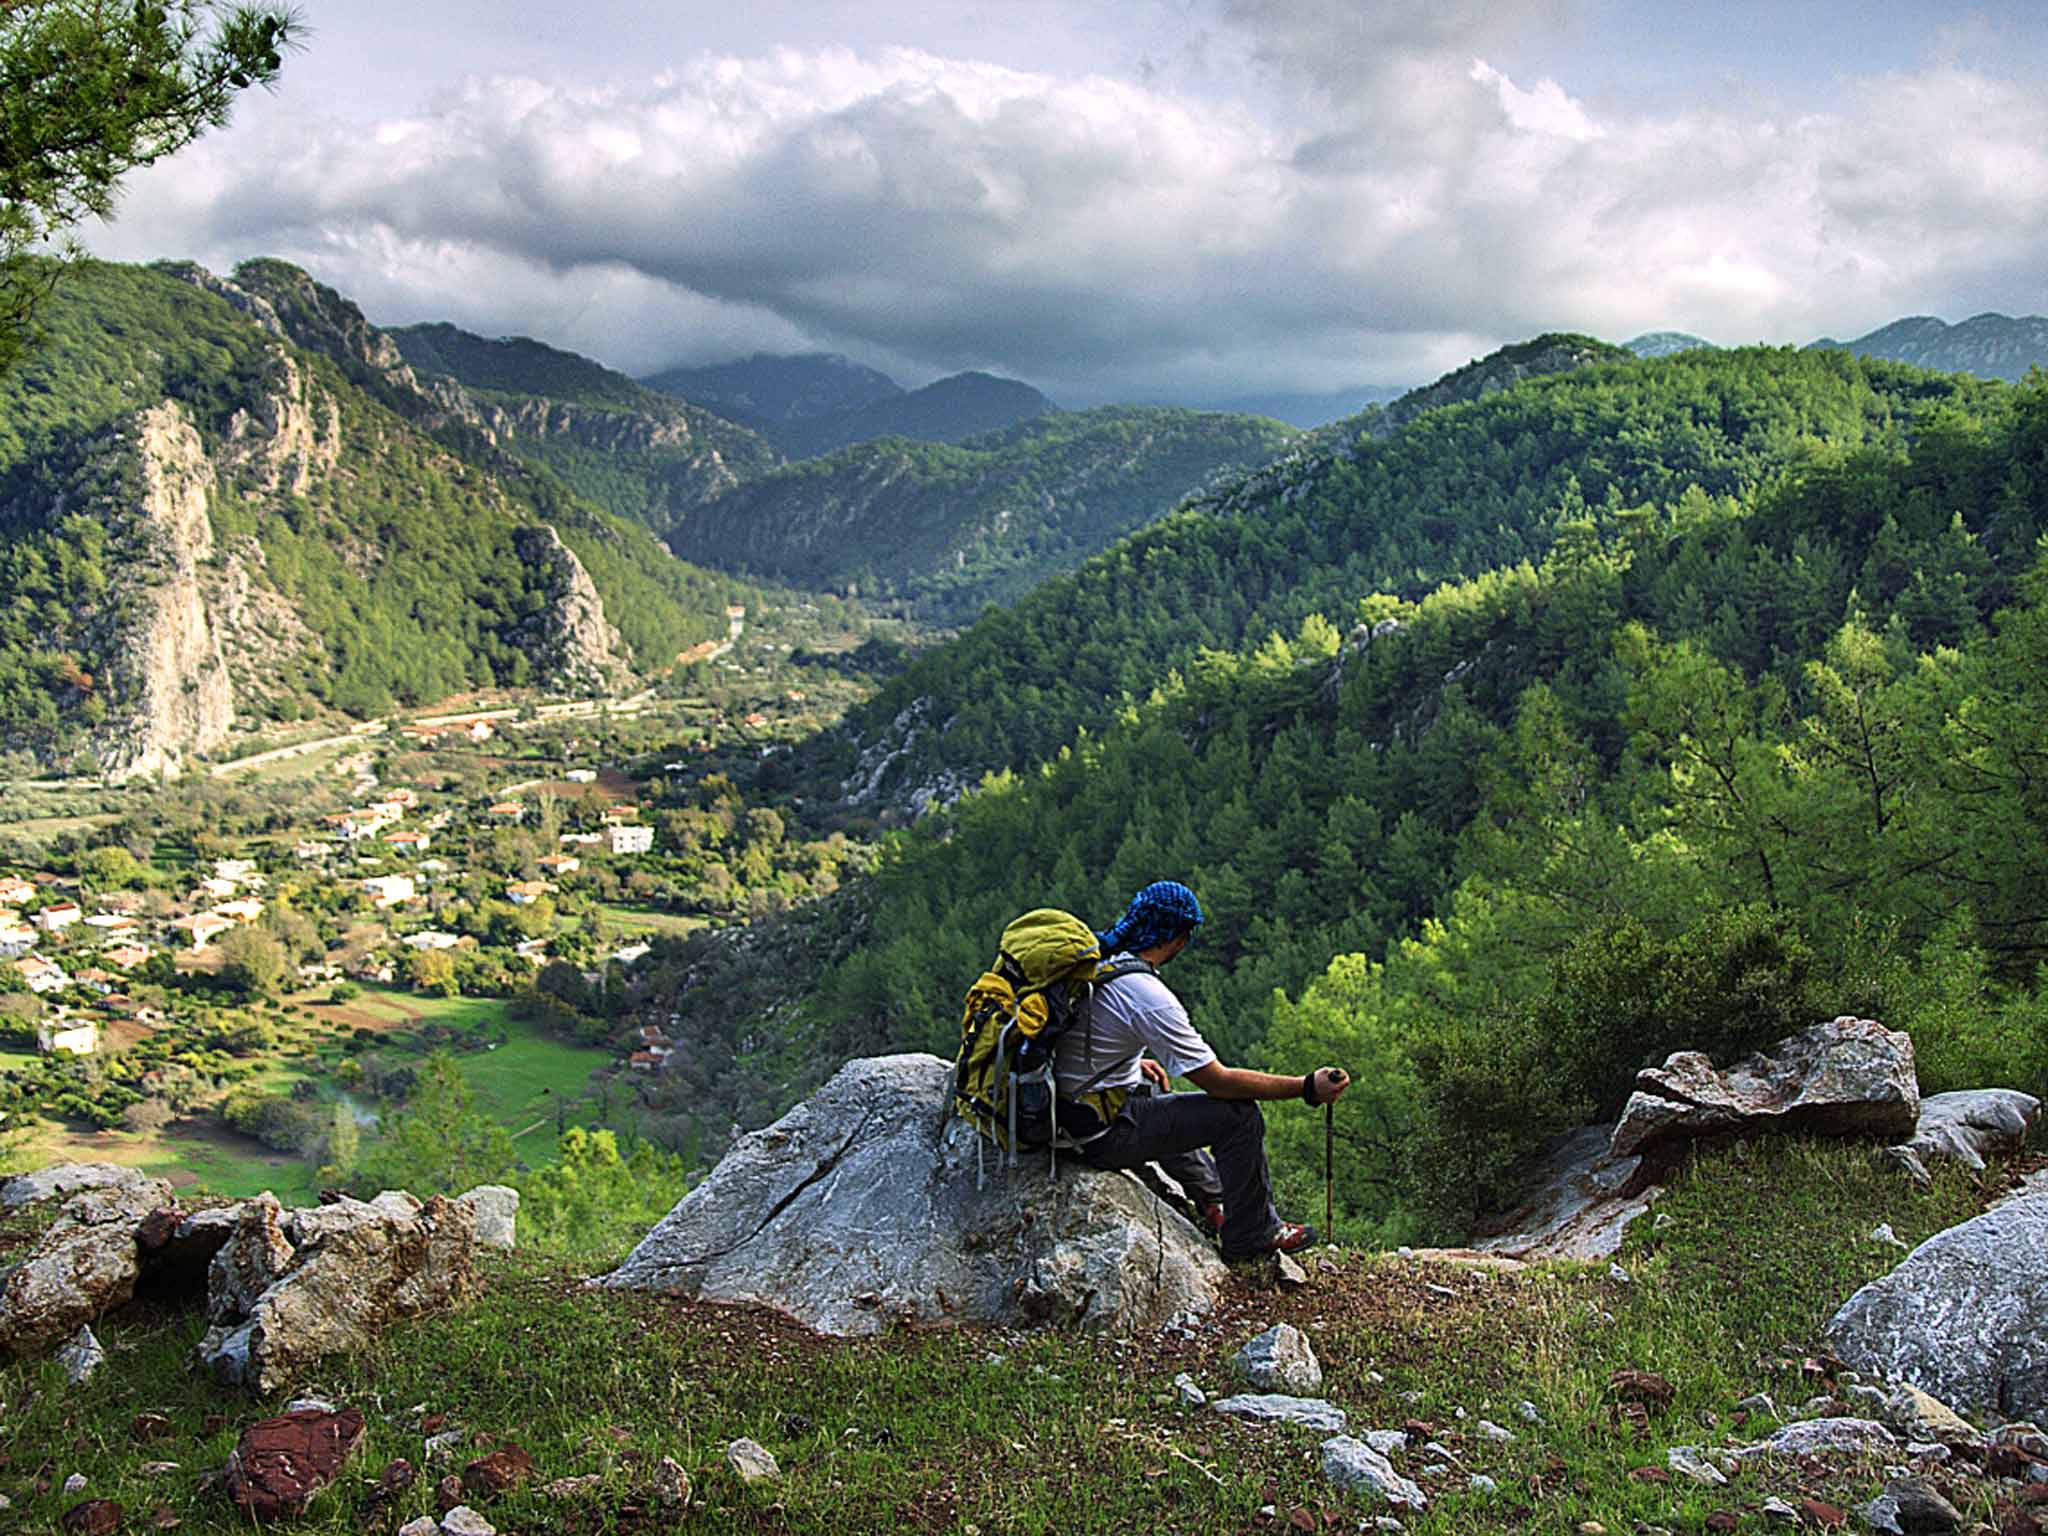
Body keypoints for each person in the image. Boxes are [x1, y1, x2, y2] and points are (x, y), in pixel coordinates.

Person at [1054, 880, 1349, 1261]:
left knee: (1154, 1085)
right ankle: (1253, 1234)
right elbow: (1219, 1081)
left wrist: (1128, 1062)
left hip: (1062, 1111)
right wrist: (1307, 1087)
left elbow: (1079, 1034)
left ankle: (1214, 1203)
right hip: (1097, 1134)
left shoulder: (1095, 963)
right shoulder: (1147, 995)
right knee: (1237, 1114)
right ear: (1178, 937)